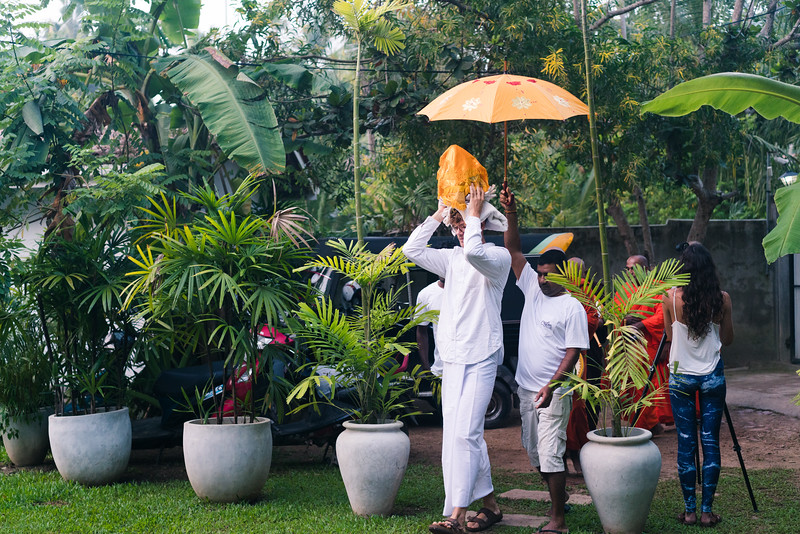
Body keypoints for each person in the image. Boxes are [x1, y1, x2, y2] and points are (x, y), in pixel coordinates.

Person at [405, 184, 510, 534]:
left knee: (466, 433)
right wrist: (439, 212)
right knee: (458, 435)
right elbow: (412, 248)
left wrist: (474, 215)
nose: (461, 229)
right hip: (451, 357)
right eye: (457, 225)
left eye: (466, 223)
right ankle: (491, 506)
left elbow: (476, 254)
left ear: (482, 223)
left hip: (481, 356)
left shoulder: (497, 258)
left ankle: (458, 513)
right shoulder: (450, 260)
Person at [500, 183, 589, 534]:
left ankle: (558, 520)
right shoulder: (532, 289)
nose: (541, 279)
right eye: (539, 273)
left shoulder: (572, 307)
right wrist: (511, 212)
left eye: (549, 275)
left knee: (551, 452)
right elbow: (512, 248)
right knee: (534, 452)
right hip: (525, 389)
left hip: (554, 391)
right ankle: (558, 497)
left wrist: (553, 386)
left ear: (564, 275)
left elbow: (573, 352)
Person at [663, 242, 734, 528]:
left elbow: (670, 337)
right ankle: (707, 512)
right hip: (712, 375)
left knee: (685, 441)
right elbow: (727, 339)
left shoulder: (670, 298)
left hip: (681, 374)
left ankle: (689, 511)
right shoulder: (723, 299)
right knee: (710, 441)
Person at [624, 254, 673, 433]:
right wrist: (625, 321)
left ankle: (643, 426)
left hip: (649, 344)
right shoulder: (626, 289)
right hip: (628, 347)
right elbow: (616, 312)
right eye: (627, 269)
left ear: (646, 269)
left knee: (646, 387)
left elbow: (662, 317)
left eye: (634, 268)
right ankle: (650, 424)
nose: (630, 272)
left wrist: (640, 323)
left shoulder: (659, 288)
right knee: (630, 388)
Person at [416, 277, 445, 377]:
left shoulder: (472, 290)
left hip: (472, 366)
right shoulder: (426, 294)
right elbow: (421, 330)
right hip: (440, 370)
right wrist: (426, 368)